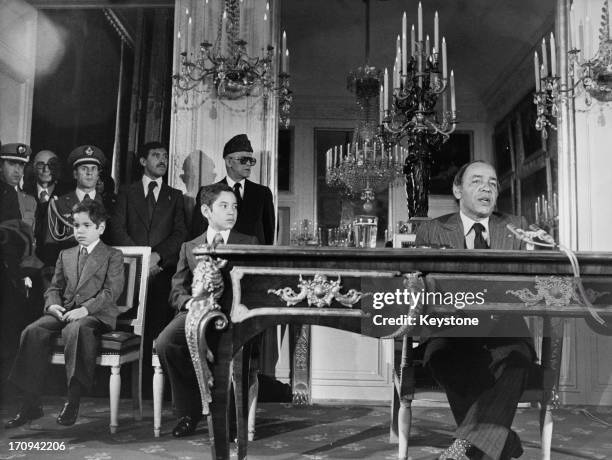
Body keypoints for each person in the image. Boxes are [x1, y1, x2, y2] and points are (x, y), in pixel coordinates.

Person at [415, 160, 534, 460]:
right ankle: (503, 443)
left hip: (504, 327)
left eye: (493, 183)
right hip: (452, 328)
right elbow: (421, 287)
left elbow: (534, 283)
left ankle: (462, 446)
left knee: (517, 360)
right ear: (457, 190)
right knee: (440, 356)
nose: (487, 188)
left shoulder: (516, 227)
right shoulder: (432, 230)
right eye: (477, 181)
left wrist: (544, 249)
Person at [4, 200, 124, 429]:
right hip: (66, 311)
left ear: (100, 228)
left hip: (96, 315)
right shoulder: (65, 254)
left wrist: (85, 309)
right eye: (75, 225)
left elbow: (112, 291)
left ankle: (73, 399)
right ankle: (31, 402)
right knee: (33, 330)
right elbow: (54, 288)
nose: (78, 231)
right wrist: (52, 305)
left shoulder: (112, 255)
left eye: (85, 225)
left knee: (76, 328)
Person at [157, 183, 257, 438]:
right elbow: (177, 289)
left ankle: (232, 420)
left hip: (234, 317)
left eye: (234, 206)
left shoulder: (249, 243)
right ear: (206, 210)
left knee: (230, 349)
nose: (231, 211)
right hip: (196, 314)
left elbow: (255, 286)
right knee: (166, 343)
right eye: (224, 206)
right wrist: (190, 303)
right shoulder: (189, 246)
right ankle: (188, 413)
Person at [108, 141, 187, 347]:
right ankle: (129, 377)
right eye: (156, 155)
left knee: (158, 330)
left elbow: (180, 234)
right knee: (126, 329)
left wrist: (157, 256)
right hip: (130, 273)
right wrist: (139, 258)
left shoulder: (175, 196)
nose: (162, 160)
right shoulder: (126, 192)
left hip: (162, 272)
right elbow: (117, 229)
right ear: (143, 161)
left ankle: (155, 378)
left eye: (165, 156)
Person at [191, 134, 275, 245]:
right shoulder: (208, 191)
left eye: (251, 160)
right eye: (243, 160)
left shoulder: (263, 193)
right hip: (218, 257)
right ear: (229, 162)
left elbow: (270, 232)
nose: (249, 164)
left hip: (253, 257)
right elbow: (198, 231)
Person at [46, 145, 108, 264]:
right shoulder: (59, 204)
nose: (89, 173)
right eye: (84, 168)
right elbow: (50, 245)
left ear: (98, 174)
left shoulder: (109, 204)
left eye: (93, 169)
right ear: (75, 174)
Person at [23, 149, 69, 268]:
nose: (46, 169)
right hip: (28, 263)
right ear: (33, 168)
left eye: (51, 165)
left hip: (55, 264)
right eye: (40, 165)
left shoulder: (66, 195)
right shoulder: (25, 192)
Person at [0, 143, 37, 232]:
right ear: (0, 166)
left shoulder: (30, 201)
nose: (17, 170)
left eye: (21, 165)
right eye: (12, 164)